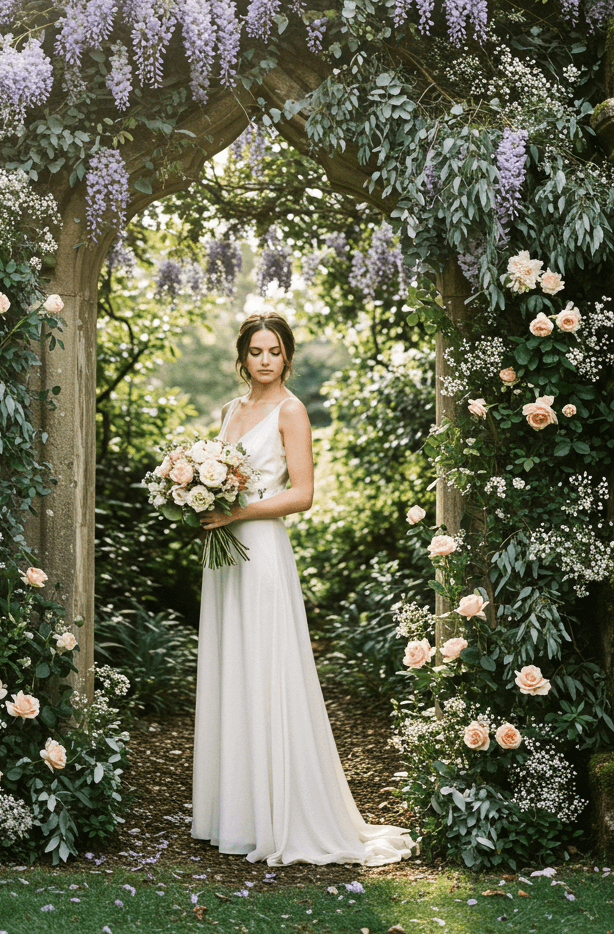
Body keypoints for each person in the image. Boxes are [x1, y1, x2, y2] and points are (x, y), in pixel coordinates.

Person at [191, 311, 415, 867]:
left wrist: (236, 510)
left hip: (262, 551)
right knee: (232, 668)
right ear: (241, 357)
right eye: (255, 351)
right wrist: (199, 496)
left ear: (287, 356)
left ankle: (278, 813)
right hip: (224, 559)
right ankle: (233, 814)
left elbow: (303, 493)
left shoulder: (292, 411)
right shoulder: (229, 411)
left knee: (267, 667)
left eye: (273, 351)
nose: (264, 360)